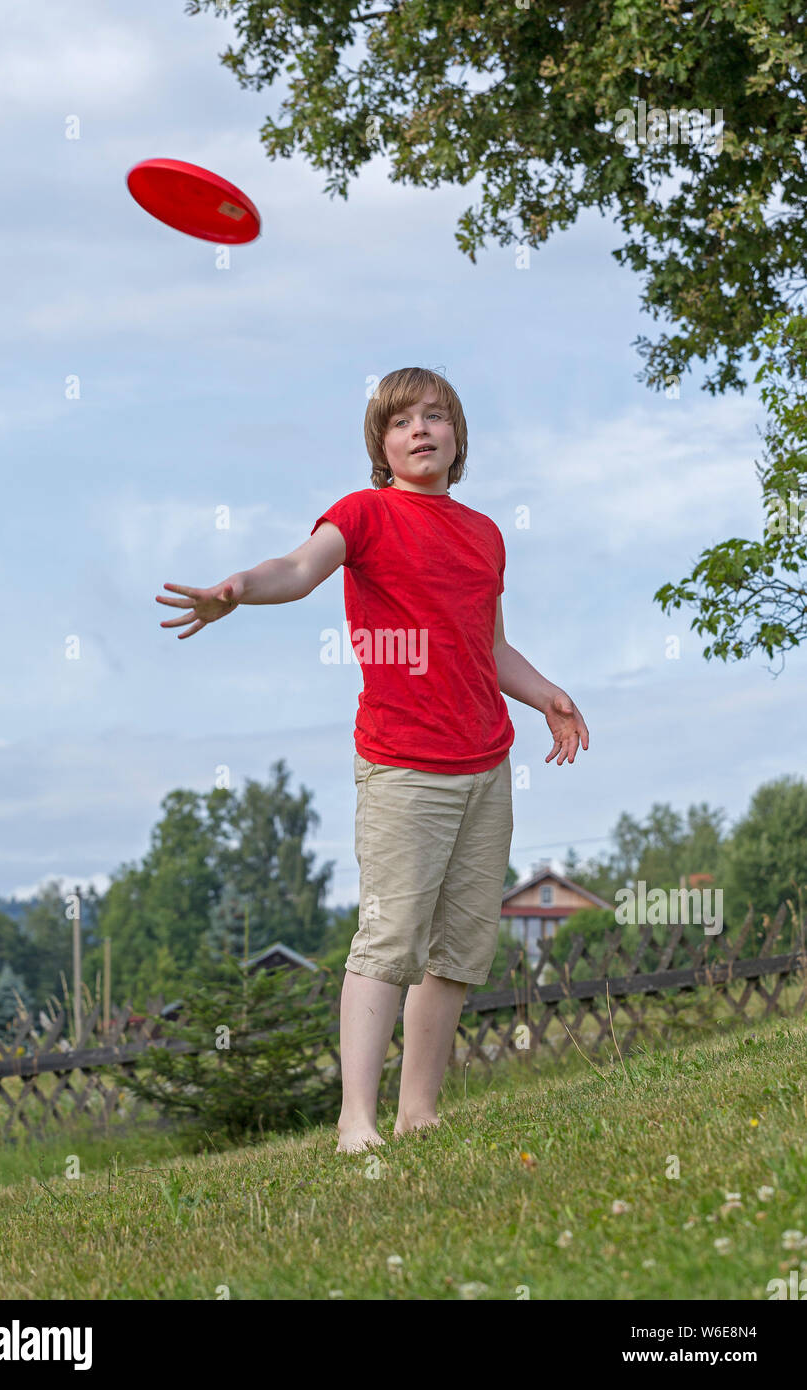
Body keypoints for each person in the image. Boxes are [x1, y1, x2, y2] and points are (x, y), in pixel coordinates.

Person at [156, 367, 589, 1155]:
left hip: (485, 762)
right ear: (381, 444)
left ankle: (418, 1113)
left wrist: (547, 693)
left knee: (458, 948)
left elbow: (488, 648)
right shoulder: (363, 515)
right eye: (401, 421)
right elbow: (296, 569)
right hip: (403, 764)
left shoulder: (485, 534)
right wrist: (238, 590)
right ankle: (355, 1119)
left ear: (458, 438)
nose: (420, 430)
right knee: (390, 940)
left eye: (435, 417)